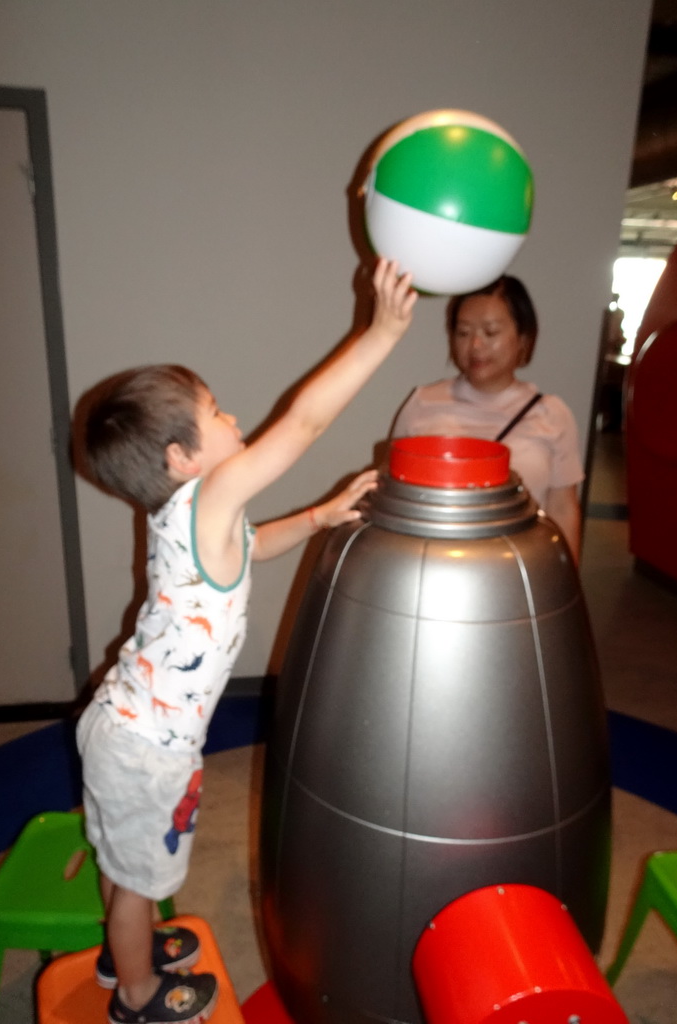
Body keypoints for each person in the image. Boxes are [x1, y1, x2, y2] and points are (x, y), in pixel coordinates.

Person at [76, 258, 416, 1024]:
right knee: (137, 879)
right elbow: (303, 422)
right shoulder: (208, 497)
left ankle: (120, 953)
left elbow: (253, 547)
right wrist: (380, 332)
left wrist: (320, 516)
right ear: (182, 459)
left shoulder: (190, 517)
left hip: (118, 726)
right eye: (219, 412)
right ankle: (135, 996)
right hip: (147, 747)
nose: (235, 421)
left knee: (121, 861)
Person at [391, 275, 582, 562]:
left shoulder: (552, 415)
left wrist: (567, 583)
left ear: (523, 338)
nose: (476, 345)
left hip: (519, 568)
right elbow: (394, 490)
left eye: (490, 332)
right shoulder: (422, 402)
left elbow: (563, 509)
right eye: (463, 332)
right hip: (430, 563)